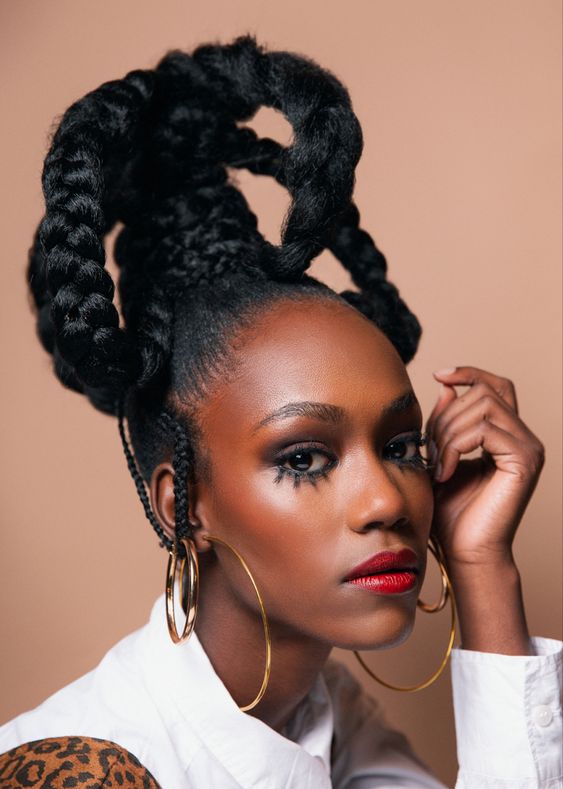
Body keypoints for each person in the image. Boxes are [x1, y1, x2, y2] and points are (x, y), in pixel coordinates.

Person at [0, 34, 561, 789]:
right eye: (302, 458)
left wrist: (481, 563)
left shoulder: (325, 716)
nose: (386, 501)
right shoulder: (90, 770)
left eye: (401, 446)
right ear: (182, 503)